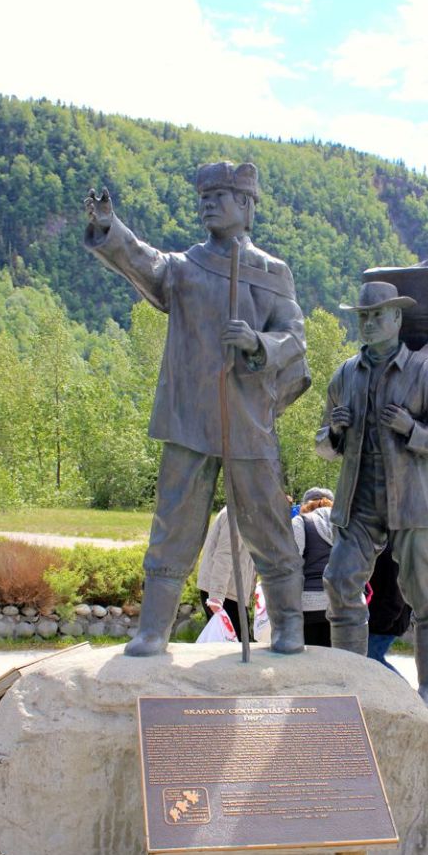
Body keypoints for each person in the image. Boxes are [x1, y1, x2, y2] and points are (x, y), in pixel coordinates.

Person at [84, 162, 308, 656]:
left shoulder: (272, 273)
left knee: (266, 521)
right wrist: (109, 228)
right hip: (189, 419)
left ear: (247, 206)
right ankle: (153, 631)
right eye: (205, 196)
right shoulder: (184, 267)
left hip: (246, 419)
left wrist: (256, 342)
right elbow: (144, 264)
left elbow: (295, 339)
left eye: (223, 195)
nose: (209, 203)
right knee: (174, 523)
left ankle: (289, 626)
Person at [316, 281, 428, 710]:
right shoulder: (344, 375)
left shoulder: (427, 375)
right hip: (358, 502)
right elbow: (323, 445)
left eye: (377, 315)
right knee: (340, 581)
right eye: (362, 316)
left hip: (413, 503)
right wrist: (335, 432)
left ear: (397, 318)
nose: (368, 322)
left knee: (425, 595)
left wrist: (412, 430)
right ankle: (349, 684)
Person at [197, 507, 256, 641]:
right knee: (234, 647)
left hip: (230, 592)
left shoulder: (244, 512)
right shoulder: (236, 514)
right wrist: (217, 596)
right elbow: (225, 554)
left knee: (232, 646)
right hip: (225, 594)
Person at [291, 487, 334, 647]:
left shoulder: (301, 522)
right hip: (340, 604)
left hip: (307, 604)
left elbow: (292, 563)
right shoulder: (346, 525)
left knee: (308, 663)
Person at [367, 542, 411, 676]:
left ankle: (405, 693)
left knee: (371, 659)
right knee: (370, 660)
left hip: (387, 622)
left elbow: (396, 595)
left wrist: (380, 623)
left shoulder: (391, 552)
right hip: (381, 619)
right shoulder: (379, 549)